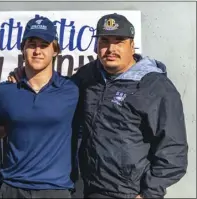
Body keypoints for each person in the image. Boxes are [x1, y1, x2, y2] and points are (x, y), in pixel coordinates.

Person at [10, 13, 188, 199]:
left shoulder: (155, 86)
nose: (110, 48)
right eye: (104, 41)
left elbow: (174, 151)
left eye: (119, 41)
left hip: (129, 193)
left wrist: (148, 193)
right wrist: (26, 75)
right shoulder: (88, 75)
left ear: (132, 45)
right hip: (86, 189)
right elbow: (54, 92)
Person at [0, 16, 80, 198]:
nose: (37, 51)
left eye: (44, 45)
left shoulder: (72, 91)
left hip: (55, 189)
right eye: (32, 44)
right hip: (12, 187)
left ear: (55, 50)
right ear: (23, 49)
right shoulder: (4, 92)